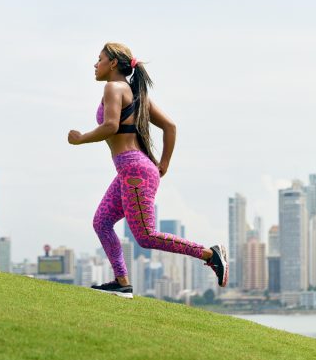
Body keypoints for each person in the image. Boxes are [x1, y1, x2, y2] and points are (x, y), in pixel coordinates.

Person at [68, 42, 228, 299]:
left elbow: (110, 126)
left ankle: (211, 254)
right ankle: (122, 282)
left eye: (99, 59)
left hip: (134, 169)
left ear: (112, 63)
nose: (95, 65)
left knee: (145, 236)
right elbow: (171, 127)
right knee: (102, 222)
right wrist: (163, 164)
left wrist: (81, 138)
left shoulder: (113, 87)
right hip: (131, 169)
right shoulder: (135, 94)